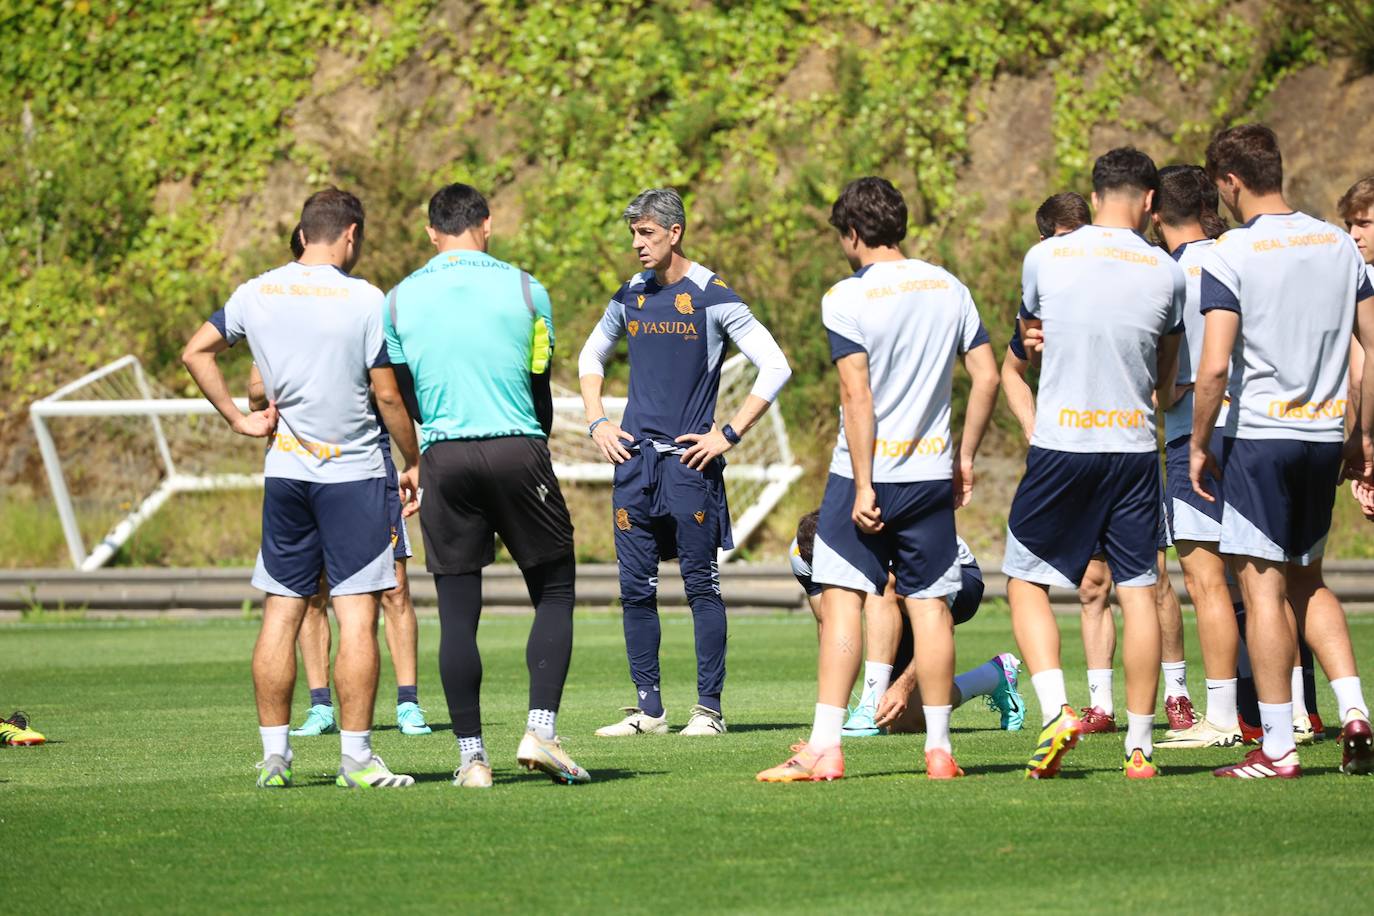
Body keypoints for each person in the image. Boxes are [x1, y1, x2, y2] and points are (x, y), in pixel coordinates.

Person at [758, 176, 999, 782]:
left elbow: (855, 393)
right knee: (931, 610)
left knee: (842, 603)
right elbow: (988, 377)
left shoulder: (847, 296)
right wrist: (963, 456)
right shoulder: (950, 287)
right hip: (928, 476)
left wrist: (864, 484)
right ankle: (940, 751)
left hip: (864, 473)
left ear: (854, 234)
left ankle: (823, 749)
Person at [181, 188, 418, 789]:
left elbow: (196, 351)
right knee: (357, 616)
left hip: (286, 474)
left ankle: (275, 760)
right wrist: (414, 459)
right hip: (353, 476)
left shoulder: (255, 291)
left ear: (303, 231)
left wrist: (239, 418)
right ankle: (357, 760)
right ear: (351, 235)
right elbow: (388, 394)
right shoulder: (367, 299)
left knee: (281, 613)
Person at [383, 183, 585, 788]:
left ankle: (472, 757)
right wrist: (534, 444)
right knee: (554, 589)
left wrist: (421, 454)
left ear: (430, 233)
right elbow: (539, 380)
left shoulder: (397, 300)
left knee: (456, 612)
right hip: (517, 447)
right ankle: (540, 731)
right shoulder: (528, 289)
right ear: (487, 225)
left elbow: (400, 391)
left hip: (444, 455)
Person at [1193, 125, 1374, 777]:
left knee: (1263, 588)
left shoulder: (1230, 253)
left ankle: (1276, 746)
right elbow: (1373, 348)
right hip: (1324, 439)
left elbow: (1213, 369)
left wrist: (1199, 443)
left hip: (1262, 439)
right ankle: (1354, 709)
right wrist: (1362, 436)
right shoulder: (1338, 244)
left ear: (1229, 182)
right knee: (1309, 579)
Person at [578, 188, 792, 738]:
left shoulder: (712, 295)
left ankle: (709, 711)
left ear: (675, 234)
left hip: (689, 467)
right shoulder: (630, 295)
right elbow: (590, 354)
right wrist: (598, 420)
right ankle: (648, 709)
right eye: (633, 234)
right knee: (635, 589)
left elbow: (774, 365)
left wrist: (728, 434)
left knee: (701, 586)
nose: (637, 244)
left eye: (646, 233)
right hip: (634, 465)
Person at [1003, 147, 1185, 780]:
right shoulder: (1166, 271)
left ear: (1095, 191)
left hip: (1063, 446)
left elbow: (1029, 332)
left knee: (1025, 580)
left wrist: (1036, 336)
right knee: (1139, 593)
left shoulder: (1045, 255)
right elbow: (1166, 375)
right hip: (1134, 450)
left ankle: (1058, 710)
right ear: (1150, 202)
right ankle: (1139, 746)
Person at [248, 226, 431, 741]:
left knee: (393, 589)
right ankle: (322, 705)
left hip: (363, 470)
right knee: (309, 598)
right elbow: (255, 391)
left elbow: (392, 388)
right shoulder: (283, 317)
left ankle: (409, 702)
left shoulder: (362, 308)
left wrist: (408, 455)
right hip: (311, 476)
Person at [789, 510, 1023, 733]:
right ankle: (994, 676)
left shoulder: (879, 538)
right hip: (896, 607)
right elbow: (829, 622)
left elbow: (940, 623)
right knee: (904, 720)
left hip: (956, 585)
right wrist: (835, 700)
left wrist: (903, 685)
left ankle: (870, 704)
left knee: (880, 586)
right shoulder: (802, 555)